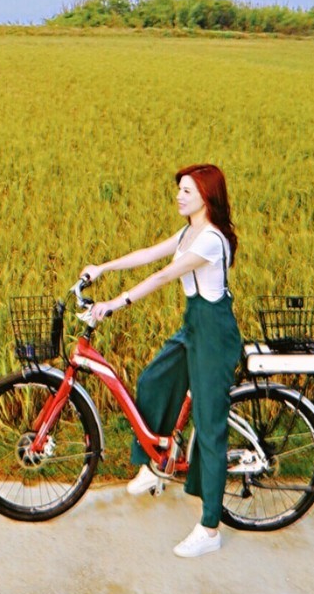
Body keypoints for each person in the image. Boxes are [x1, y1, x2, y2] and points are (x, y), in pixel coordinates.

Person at [81, 163, 242, 558]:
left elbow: (162, 276)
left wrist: (114, 304)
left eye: (187, 190)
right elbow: (149, 255)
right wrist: (103, 268)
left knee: (209, 427)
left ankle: (209, 529)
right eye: (179, 190)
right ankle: (154, 466)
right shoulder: (189, 231)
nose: (179, 196)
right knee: (153, 381)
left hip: (213, 336)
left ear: (207, 196)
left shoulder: (209, 240)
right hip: (194, 327)